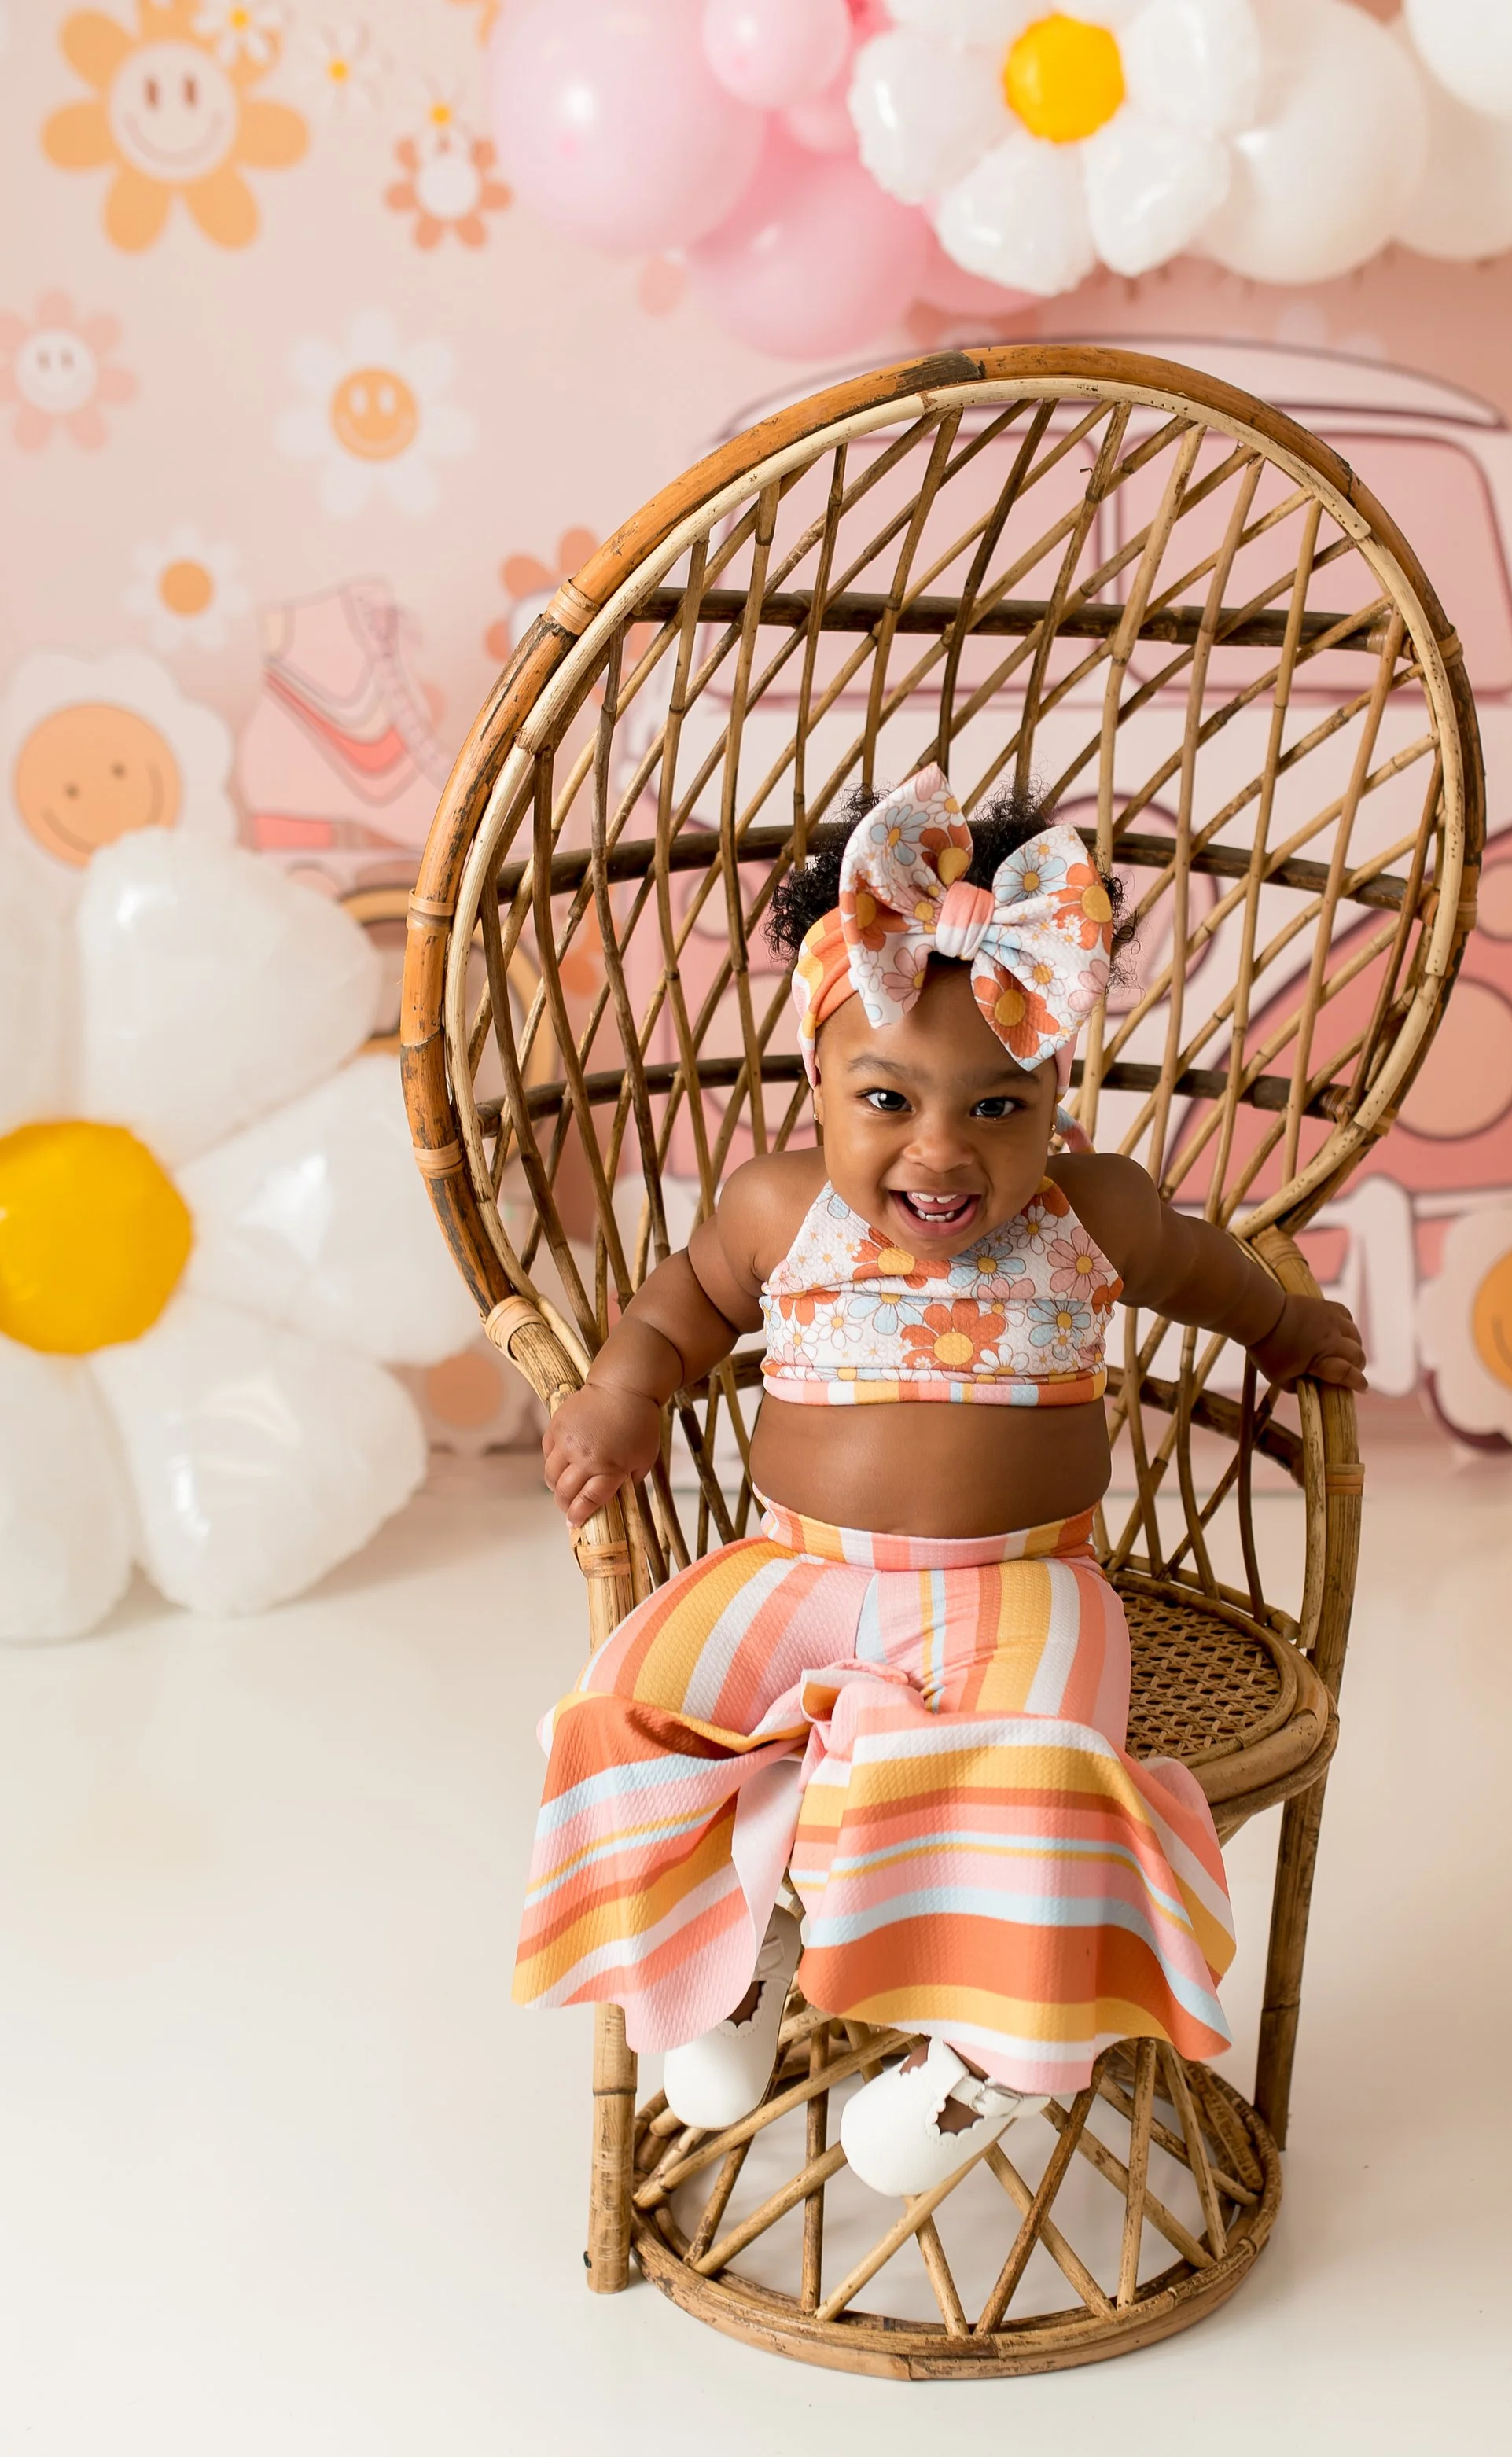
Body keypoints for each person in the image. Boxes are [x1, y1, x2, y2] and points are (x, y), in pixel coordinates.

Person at [517, 767, 1367, 2198]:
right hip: (795, 1567)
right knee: (629, 1704)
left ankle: (990, 2067)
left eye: (996, 1105)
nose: (940, 1147)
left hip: (1021, 1582)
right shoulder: (775, 1209)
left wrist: (1287, 1330)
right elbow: (672, 1314)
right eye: (888, 1098)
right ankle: (728, 1959)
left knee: (1040, 1771)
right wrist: (620, 1396)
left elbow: (1213, 1269)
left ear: (1054, 1099)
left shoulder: (1093, 1214)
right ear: (817, 1089)